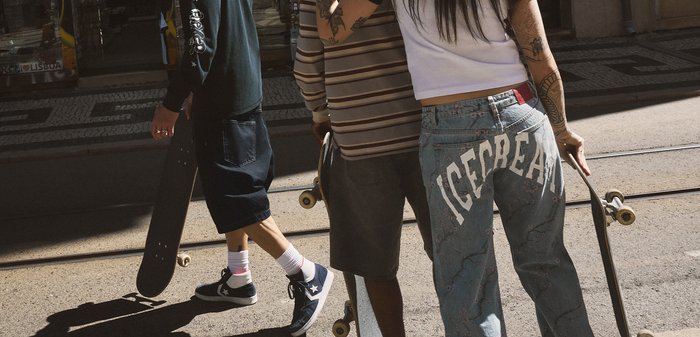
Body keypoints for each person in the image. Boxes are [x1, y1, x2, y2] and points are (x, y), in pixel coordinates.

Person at [315, 0, 595, 336]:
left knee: (468, 279)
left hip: (452, 130)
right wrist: (561, 129)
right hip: (522, 113)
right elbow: (540, 57)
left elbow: (331, 31)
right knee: (546, 261)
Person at [150, 1, 333, 336]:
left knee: (239, 201)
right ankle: (238, 279)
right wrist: (198, 91)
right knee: (238, 194)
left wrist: (170, 104)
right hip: (242, 92)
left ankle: (306, 273)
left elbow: (198, 49)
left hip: (224, 107)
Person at [293, 0, 433, 335]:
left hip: (358, 138)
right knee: (450, 253)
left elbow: (307, 62)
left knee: (375, 264)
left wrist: (320, 113)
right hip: (425, 128)